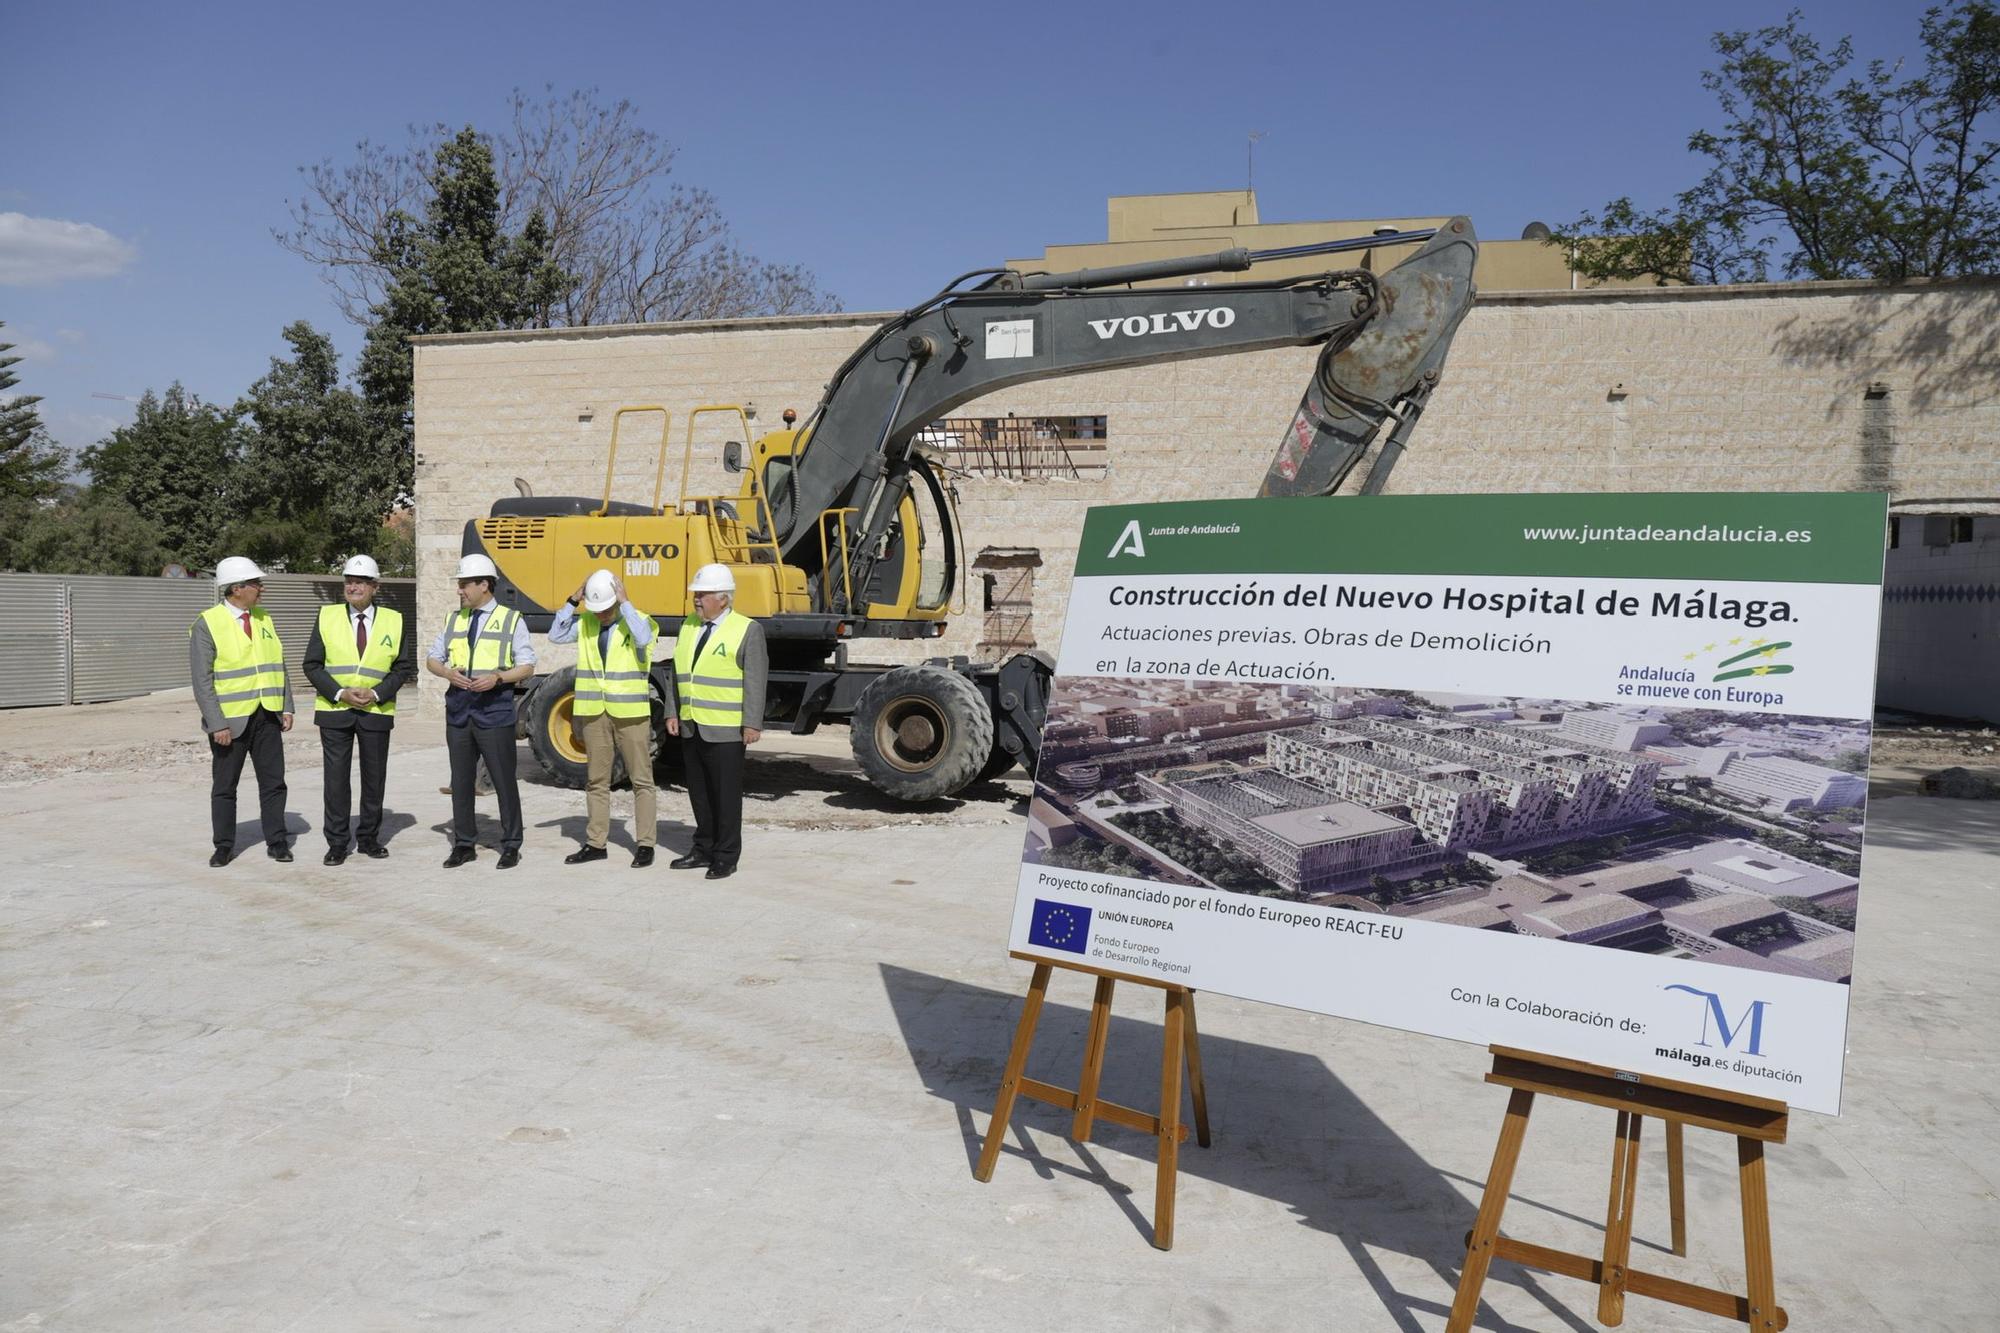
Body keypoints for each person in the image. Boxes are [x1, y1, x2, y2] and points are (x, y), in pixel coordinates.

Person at [425, 553, 536, 869]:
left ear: (484, 585)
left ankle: (511, 844)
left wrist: (498, 677)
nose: (459, 591)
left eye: (464, 585)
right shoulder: (453, 619)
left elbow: (527, 665)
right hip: (459, 711)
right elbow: (433, 659)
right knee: (460, 781)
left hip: (495, 711)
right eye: (459, 585)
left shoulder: (512, 620)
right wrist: (447, 673)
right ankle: (463, 844)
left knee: (503, 780)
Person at [302, 554, 408, 865]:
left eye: (360, 581)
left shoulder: (394, 620)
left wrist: (376, 693)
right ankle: (337, 843)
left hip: (376, 711)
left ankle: (369, 839)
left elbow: (402, 669)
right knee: (335, 780)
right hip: (335, 711)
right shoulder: (326, 616)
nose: (353, 586)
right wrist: (340, 693)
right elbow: (312, 665)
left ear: (375, 586)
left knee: (374, 779)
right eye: (349, 581)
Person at [550, 568, 658, 867]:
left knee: (641, 780)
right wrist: (572, 600)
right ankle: (596, 842)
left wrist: (625, 604)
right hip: (594, 712)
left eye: (606, 609)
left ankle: (646, 843)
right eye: (596, 609)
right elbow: (556, 634)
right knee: (596, 781)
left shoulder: (640, 620)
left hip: (631, 713)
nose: (601, 615)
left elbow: (643, 637)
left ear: (617, 600)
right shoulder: (585, 622)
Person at [665, 563, 767, 880]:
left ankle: (725, 855)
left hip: (726, 730)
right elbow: (677, 672)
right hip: (692, 725)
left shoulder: (747, 630)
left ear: (723, 599)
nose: (697, 600)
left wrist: (752, 723)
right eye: (696, 594)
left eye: (703, 594)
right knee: (699, 793)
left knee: (725, 796)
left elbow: (755, 680)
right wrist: (672, 710)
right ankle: (703, 847)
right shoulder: (689, 626)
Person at [190, 556, 294, 866]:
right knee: (225, 787)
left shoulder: (264, 619)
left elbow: (278, 664)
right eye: (256, 584)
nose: (261, 589)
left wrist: (287, 705)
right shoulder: (207, 624)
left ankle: (277, 842)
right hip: (229, 722)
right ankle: (223, 846)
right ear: (237, 588)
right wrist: (216, 723)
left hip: (268, 715)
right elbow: (202, 680)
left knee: (274, 783)